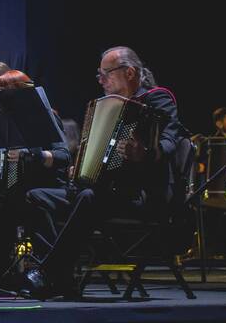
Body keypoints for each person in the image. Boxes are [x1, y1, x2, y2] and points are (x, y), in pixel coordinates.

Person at [23, 47, 185, 299]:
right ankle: (62, 276)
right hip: (103, 192)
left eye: (105, 73)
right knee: (35, 197)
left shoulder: (157, 98)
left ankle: (48, 271)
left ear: (129, 72)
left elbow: (171, 138)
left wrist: (146, 153)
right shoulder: (103, 106)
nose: (101, 80)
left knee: (88, 197)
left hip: (142, 194)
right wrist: (80, 164)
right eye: (99, 75)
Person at [0, 71, 69, 285]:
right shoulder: (4, 125)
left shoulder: (46, 116)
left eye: (5, 96)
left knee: (6, 210)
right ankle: (3, 269)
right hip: (17, 190)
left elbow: (64, 157)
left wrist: (32, 155)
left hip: (45, 187)